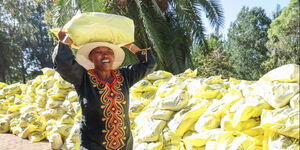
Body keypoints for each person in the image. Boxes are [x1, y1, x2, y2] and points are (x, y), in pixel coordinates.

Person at [52, 31, 156, 150]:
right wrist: (65, 42)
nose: (105, 55)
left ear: (114, 57)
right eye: (99, 52)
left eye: (109, 52)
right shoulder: (83, 77)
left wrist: (130, 46)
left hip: (124, 144)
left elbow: (150, 64)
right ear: (90, 57)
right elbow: (63, 63)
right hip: (93, 145)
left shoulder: (124, 76)